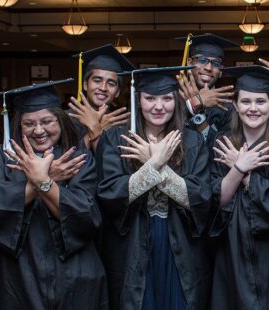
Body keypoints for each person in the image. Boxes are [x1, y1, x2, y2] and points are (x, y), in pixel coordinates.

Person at [0, 78, 107, 309]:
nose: (38, 130)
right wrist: (41, 181)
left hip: (74, 272)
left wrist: (43, 182)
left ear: (61, 121)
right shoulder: (1, 157)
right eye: (29, 124)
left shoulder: (78, 157)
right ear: (18, 125)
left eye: (47, 121)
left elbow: (86, 215)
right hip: (16, 273)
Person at [96, 66, 213, 310]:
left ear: (176, 100)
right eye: (150, 98)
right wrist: (155, 162)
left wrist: (155, 165)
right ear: (138, 100)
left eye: (167, 98)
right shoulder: (116, 139)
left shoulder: (192, 140)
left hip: (179, 240)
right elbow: (110, 194)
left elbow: (198, 198)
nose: (158, 106)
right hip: (133, 242)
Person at [209, 65, 269, 309]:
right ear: (235, 104)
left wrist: (245, 174)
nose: (253, 108)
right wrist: (238, 168)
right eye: (246, 101)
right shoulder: (222, 143)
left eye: (261, 101)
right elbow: (216, 201)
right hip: (232, 248)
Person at [69, 44, 136, 152]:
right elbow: (68, 159)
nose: (103, 88)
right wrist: (98, 128)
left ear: (118, 92)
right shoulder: (67, 120)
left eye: (111, 83)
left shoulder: (122, 124)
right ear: (85, 84)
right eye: (97, 80)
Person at [175, 33, 239, 145]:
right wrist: (192, 105)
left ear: (221, 71)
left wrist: (197, 107)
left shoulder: (227, 107)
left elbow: (222, 148)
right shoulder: (172, 97)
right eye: (201, 60)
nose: (208, 68)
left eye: (216, 63)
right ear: (189, 63)